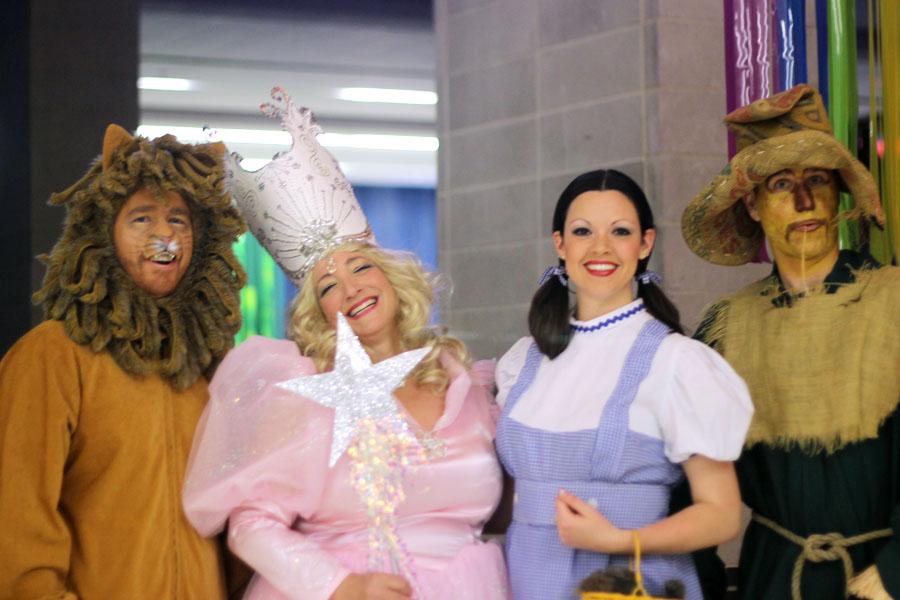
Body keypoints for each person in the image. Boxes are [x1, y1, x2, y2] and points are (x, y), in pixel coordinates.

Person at [182, 88, 509, 600]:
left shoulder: (467, 382)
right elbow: (251, 523)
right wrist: (340, 586)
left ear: (394, 279)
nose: (352, 288)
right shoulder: (301, 396)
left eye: (361, 267)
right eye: (328, 285)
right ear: (319, 312)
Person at [0, 124, 247, 598]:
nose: (164, 236)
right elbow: (17, 524)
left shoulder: (214, 364)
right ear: (103, 232)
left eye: (179, 220)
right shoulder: (52, 355)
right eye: (141, 219)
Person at [682, 84, 900, 600]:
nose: (805, 201)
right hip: (774, 577)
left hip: (879, 580)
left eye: (817, 181)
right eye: (782, 185)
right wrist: (700, 583)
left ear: (837, 193)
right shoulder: (727, 328)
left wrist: (895, 571)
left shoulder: (893, 302)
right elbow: (687, 473)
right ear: (753, 207)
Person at [495, 168, 753, 600]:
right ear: (559, 244)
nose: (601, 247)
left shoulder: (677, 362)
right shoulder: (522, 361)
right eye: (582, 231)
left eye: (620, 231)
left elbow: (722, 516)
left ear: (645, 243)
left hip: (632, 582)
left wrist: (618, 542)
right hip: (524, 577)